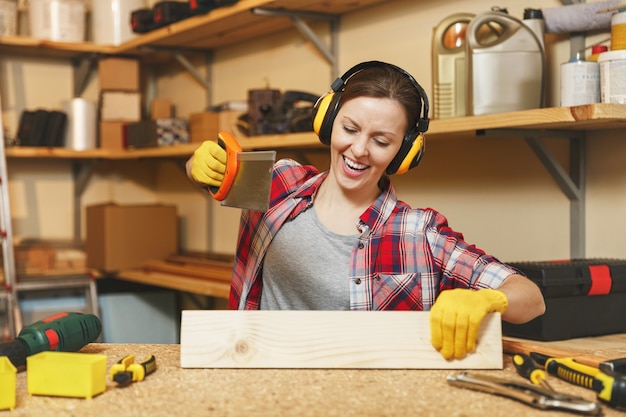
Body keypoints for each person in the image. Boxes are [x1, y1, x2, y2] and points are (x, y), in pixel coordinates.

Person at [186, 61, 545, 360]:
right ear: (327, 122)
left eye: (381, 140)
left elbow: (531, 299)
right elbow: (209, 175)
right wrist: (198, 164)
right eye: (350, 128)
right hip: (258, 378)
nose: (358, 149)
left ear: (404, 154)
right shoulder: (278, 184)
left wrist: (489, 299)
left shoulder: (418, 233)